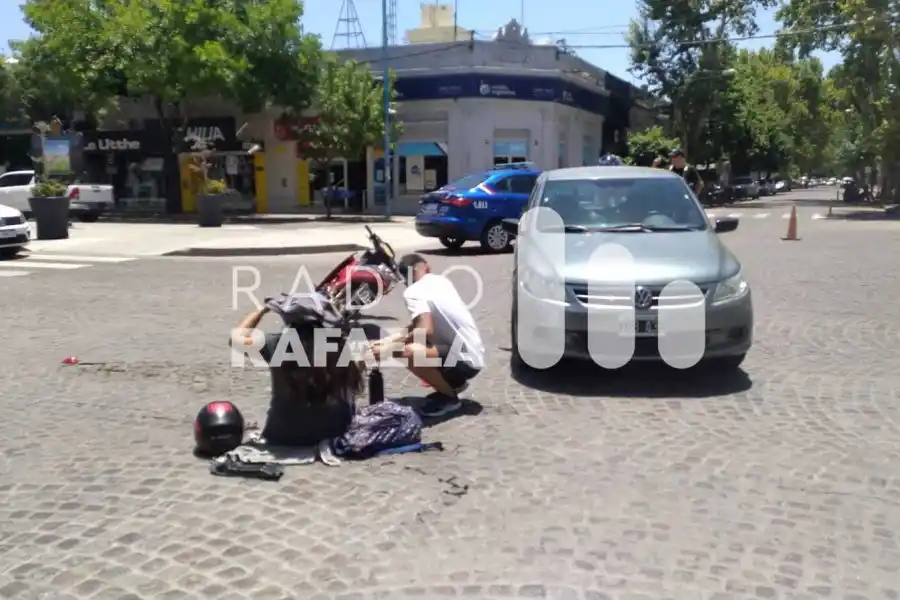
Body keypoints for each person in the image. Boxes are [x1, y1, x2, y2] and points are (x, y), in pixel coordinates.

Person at [229, 304, 364, 446]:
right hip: (336, 434)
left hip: (282, 436)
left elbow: (236, 339)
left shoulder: (276, 344)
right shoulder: (341, 345)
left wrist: (261, 311)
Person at [371, 254, 484, 418]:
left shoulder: (413, 291)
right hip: (474, 355)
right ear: (425, 267)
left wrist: (389, 347)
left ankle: (450, 398)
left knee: (406, 352)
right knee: (409, 343)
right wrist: (388, 340)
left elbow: (425, 329)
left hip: (462, 359)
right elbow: (417, 326)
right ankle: (454, 383)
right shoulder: (441, 281)